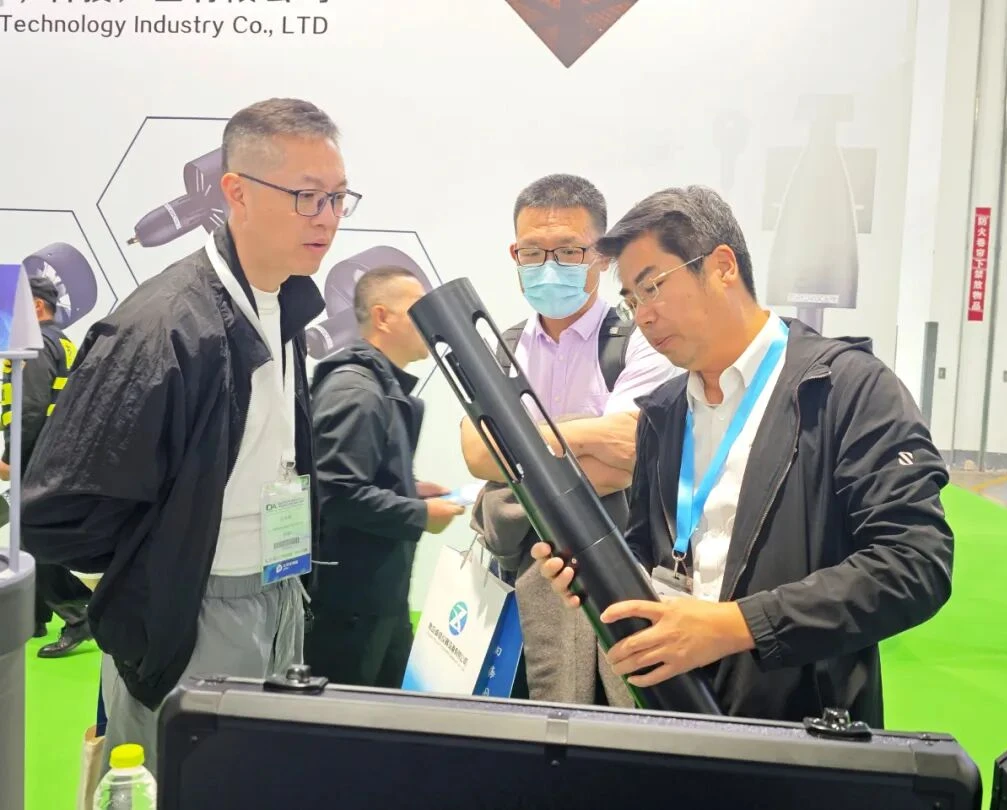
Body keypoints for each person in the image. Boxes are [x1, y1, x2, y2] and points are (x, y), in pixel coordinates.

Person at [532, 185, 954, 726]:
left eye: (653, 287)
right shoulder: (664, 411)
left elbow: (914, 563)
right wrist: (596, 573)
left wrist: (738, 626)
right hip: (674, 710)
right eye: (632, 301)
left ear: (723, 267)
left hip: (799, 730)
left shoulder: (846, 389)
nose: (644, 317)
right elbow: (650, 552)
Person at [21, 97, 357, 774]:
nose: (326, 217)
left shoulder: (285, 301)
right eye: (306, 196)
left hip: (278, 589)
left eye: (337, 198)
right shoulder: (165, 327)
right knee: (185, 784)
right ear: (236, 192)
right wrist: (151, 580)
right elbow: (57, 512)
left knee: (255, 780)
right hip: (195, 611)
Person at [463, 174, 678, 708]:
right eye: (532, 252)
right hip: (513, 570)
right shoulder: (502, 345)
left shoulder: (638, 344)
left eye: (567, 251)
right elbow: (475, 452)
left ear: (601, 256)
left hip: (614, 574)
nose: (548, 266)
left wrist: (517, 442)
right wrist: (585, 433)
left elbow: (628, 452)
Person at [304, 266, 464, 687]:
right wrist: (420, 515)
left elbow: (359, 479)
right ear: (382, 316)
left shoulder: (378, 389)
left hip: (376, 602)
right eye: (418, 310)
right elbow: (337, 492)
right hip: (348, 610)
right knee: (344, 718)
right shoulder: (357, 392)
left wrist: (410, 490)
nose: (431, 322)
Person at [0, 276, 92, 658]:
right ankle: (33, 618)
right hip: (56, 460)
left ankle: (79, 614)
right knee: (29, 539)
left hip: (38, 461)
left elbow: (30, 408)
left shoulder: (34, 346)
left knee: (31, 542)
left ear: (36, 306)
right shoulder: (62, 341)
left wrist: (12, 460)